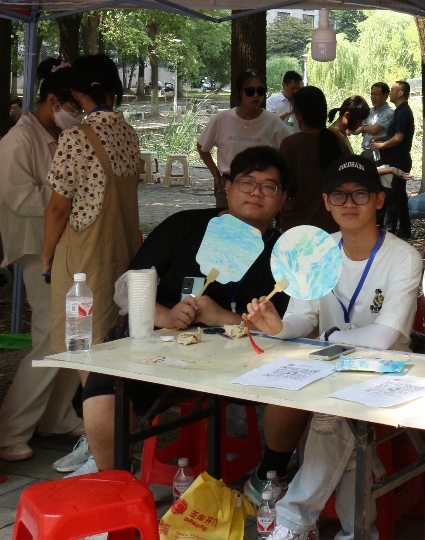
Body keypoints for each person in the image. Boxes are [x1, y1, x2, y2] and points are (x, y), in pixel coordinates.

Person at [62, 147, 294, 476]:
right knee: (105, 391)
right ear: (227, 187)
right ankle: (113, 479)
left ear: (283, 198)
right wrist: (165, 317)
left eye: (269, 186)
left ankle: (270, 473)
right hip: (162, 348)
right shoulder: (184, 226)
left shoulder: (285, 256)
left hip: (239, 360)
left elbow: (283, 330)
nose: (256, 193)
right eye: (247, 182)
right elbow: (128, 287)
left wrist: (219, 317)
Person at [245, 155, 422, 540]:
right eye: (339, 195)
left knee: (331, 415)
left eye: (360, 194)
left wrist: (325, 338)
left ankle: (291, 521)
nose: (349, 203)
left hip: (388, 371)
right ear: (326, 202)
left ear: (379, 199)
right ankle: (357, 532)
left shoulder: (403, 257)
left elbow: (385, 336)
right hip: (330, 370)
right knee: (346, 433)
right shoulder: (316, 251)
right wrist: (279, 326)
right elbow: (301, 317)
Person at [0, 65, 83, 462]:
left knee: (73, 332)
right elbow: (19, 198)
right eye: (74, 106)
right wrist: (67, 202)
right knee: (51, 335)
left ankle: (56, 417)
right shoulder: (18, 140)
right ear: (53, 101)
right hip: (36, 247)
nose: (78, 114)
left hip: (64, 244)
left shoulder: (59, 135)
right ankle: (10, 430)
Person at [42, 55, 143, 374]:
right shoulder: (128, 133)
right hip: (124, 252)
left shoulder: (75, 138)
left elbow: (58, 208)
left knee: (84, 349)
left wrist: (46, 257)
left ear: (75, 91)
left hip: (84, 261)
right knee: (116, 346)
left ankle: (96, 407)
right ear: (115, 88)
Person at [198, 69, 291, 209]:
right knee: (226, 223)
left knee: (258, 223)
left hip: (261, 189)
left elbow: (290, 150)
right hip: (229, 184)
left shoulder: (273, 122)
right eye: (250, 91)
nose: (256, 95)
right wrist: (216, 174)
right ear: (239, 93)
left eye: (260, 91)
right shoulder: (222, 119)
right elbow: (202, 147)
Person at [279, 86, 351, 232]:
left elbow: (284, 185)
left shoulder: (290, 144)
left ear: (299, 114)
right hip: (332, 222)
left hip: (296, 222)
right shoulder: (337, 141)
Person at [369, 80, 414, 239]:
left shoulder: (403, 112)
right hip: (397, 158)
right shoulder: (399, 111)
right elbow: (394, 134)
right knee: (400, 196)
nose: (391, 93)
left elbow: (399, 137)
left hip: (398, 160)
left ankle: (390, 232)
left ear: (400, 93)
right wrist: (381, 137)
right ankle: (405, 230)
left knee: (393, 196)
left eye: (393, 90)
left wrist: (382, 145)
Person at [358, 82, 393, 160]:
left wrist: (363, 128)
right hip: (367, 150)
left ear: (385, 96)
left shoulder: (389, 112)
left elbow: (374, 130)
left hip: (379, 152)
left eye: (376, 94)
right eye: (372, 94)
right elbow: (358, 129)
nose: (373, 97)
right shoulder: (369, 111)